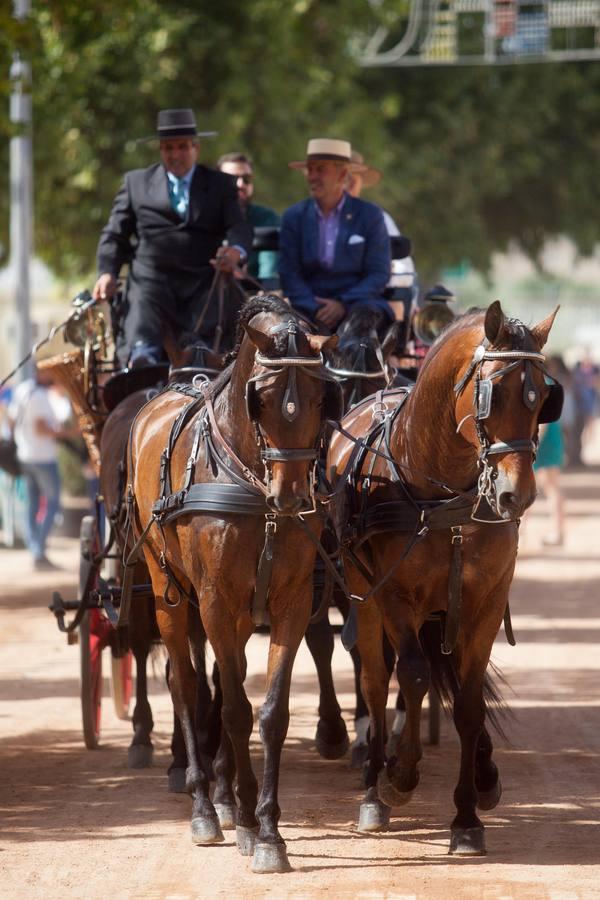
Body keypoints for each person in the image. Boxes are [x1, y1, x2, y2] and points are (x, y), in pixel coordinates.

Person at [93, 108, 253, 367]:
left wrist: (235, 250)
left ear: (196, 148)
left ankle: (206, 361)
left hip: (203, 282)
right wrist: (107, 271)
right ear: (160, 150)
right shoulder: (136, 184)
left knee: (210, 341)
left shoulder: (220, 184)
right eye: (168, 148)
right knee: (142, 330)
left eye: (182, 147)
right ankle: (142, 359)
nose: (175, 154)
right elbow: (114, 234)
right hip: (150, 285)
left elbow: (239, 227)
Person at [279, 138, 392, 330]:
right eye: (310, 169)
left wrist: (342, 303)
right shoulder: (293, 216)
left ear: (342, 174)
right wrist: (314, 308)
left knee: (364, 327)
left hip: (358, 305)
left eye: (320, 169)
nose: (311, 176)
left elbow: (378, 273)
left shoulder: (370, 215)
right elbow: (289, 273)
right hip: (307, 307)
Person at [7, 368, 71, 570]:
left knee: (32, 505)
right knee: (52, 504)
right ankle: (39, 550)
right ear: (41, 372)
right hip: (43, 457)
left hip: (25, 456)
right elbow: (41, 428)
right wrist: (68, 434)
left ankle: (35, 548)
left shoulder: (22, 390)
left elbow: (10, 420)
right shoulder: (41, 396)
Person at [346, 149, 417, 321]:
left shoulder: (377, 219)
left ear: (357, 184)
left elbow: (403, 271)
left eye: (351, 180)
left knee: (395, 303)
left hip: (366, 300)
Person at [217, 152, 280, 288]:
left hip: (257, 296)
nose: (240, 184)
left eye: (246, 179)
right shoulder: (203, 217)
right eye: (232, 179)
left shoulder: (267, 217)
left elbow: (269, 268)